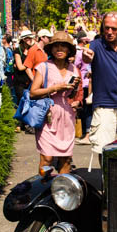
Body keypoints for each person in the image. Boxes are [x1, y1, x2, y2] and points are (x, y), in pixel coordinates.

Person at [82, 12, 117, 154]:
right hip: (104, 106)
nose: (109, 32)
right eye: (106, 28)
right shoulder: (95, 45)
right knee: (104, 150)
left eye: (114, 29)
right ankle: (106, 177)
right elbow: (88, 57)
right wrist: (86, 56)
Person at [29, 31, 82, 174]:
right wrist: (54, 88)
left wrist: (75, 93)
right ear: (51, 49)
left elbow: (74, 94)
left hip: (67, 117)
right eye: (56, 47)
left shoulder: (74, 69)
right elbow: (33, 92)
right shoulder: (44, 67)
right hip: (48, 116)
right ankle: (44, 190)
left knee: (66, 159)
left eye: (63, 47)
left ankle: (62, 193)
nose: (59, 50)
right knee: (46, 158)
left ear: (69, 50)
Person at [74, 31, 93, 144]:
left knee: (86, 109)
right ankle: (86, 133)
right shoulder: (89, 51)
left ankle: (87, 134)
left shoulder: (81, 52)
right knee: (88, 109)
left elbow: (76, 67)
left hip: (85, 83)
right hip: (89, 83)